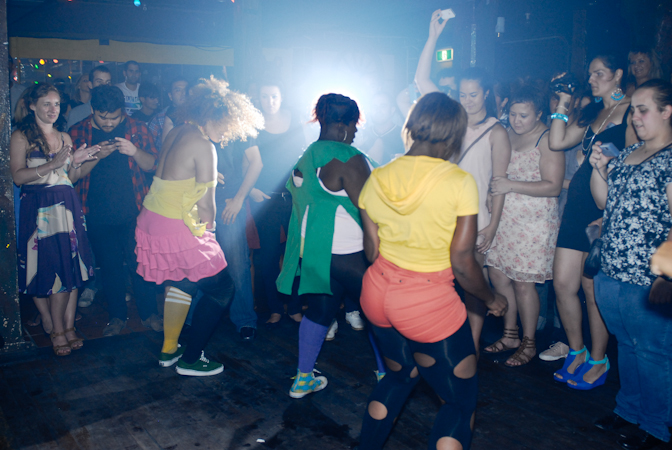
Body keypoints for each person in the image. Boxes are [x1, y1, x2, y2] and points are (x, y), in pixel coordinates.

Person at [357, 92, 507, 450]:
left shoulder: (377, 177)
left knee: (398, 378)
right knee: (459, 403)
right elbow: (463, 262)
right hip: (426, 304)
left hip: (377, 294)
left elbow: (371, 251)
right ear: (454, 135)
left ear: (411, 126)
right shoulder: (458, 181)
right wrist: (491, 299)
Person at [135, 76, 263, 376]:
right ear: (211, 115)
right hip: (175, 224)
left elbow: (171, 173)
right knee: (223, 288)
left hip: (152, 218)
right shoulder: (205, 145)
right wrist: (211, 234)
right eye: (225, 125)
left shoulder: (177, 130)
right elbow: (207, 206)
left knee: (184, 282)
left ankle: (169, 349)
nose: (226, 133)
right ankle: (192, 359)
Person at [276, 93, 385, 398]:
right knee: (380, 313)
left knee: (320, 312)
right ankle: (386, 374)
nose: (355, 131)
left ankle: (303, 378)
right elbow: (372, 209)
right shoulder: (348, 159)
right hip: (351, 254)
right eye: (354, 125)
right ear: (341, 125)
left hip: (316, 253)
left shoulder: (307, 155)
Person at [589, 79, 672, 450]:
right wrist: (598, 169)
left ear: (667, 111)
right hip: (612, 269)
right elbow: (604, 202)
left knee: (653, 353)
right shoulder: (628, 152)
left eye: (643, 109)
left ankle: (657, 427)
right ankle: (628, 411)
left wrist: (667, 276)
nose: (635, 117)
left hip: (648, 278)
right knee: (626, 345)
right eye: (633, 110)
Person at [548, 54, 636, 389]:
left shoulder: (631, 111)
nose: (592, 79)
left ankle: (599, 359)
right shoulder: (592, 112)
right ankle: (577, 350)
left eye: (600, 73)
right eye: (590, 74)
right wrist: (563, 101)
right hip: (576, 206)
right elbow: (557, 141)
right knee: (562, 284)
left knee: (591, 288)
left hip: (602, 208)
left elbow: (631, 160)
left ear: (618, 74)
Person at [10, 83, 99, 355]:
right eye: (46, 104)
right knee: (48, 269)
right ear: (33, 105)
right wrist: (51, 164)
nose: (53, 109)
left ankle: (68, 328)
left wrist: (76, 162)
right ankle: (56, 329)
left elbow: (69, 178)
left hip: (67, 206)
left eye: (57, 104)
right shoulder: (21, 136)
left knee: (71, 268)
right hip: (40, 208)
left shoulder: (65, 137)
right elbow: (18, 177)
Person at [69, 85, 162, 336]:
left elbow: (153, 164)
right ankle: (117, 317)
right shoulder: (78, 131)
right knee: (110, 269)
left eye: (114, 117)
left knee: (140, 264)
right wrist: (96, 155)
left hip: (135, 210)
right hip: (97, 213)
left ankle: (150, 314)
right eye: (103, 117)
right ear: (92, 110)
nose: (109, 123)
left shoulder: (137, 128)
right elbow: (72, 176)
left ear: (123, 111)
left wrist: (134, 151)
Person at [483, 85, 564, 366]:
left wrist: (510, 185)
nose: (517, 121)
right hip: (504, 219)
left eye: (524, 115)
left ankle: (529, 342)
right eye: (513, 114)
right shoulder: (506, 133)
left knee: (523, 285)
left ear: (539, 113)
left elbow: (553, 186)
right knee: (498, 276)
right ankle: (510, 335)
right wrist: (492, 193)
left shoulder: (547, 139)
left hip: (533, 223)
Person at [249, 79, 305, 326]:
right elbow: (243, 161)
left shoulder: (296, 119)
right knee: (269, 257)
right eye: (264, 96)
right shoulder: (253, 124)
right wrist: (250, 189)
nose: (269, 101)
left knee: (295, 255)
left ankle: (294, 307)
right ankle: (275, 309)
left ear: (281, 98)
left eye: (274, 96)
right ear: (258, 98)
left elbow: (306, 156)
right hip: (266, 200)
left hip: (294, 197)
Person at [214, 114, 264, 341]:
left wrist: (239, 199)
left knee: (237, 263)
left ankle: (244, 320)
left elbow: (257, 163)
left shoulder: (239, 126)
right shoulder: (196, 124)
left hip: (229, 204)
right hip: (199, 202)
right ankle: (191, 320)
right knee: (198, 264)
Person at [359, 92, 405, 165]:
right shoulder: (361, 136)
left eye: (383, 106)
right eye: (374, 106)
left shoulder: (404, 135)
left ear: (392, 110)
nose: (378, 110)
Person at [67, 65, 113, 130]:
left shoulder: (117, 111)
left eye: (108, 82)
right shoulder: (76, 113)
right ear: (90, 85)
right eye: (99, 81)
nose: (104, 85)